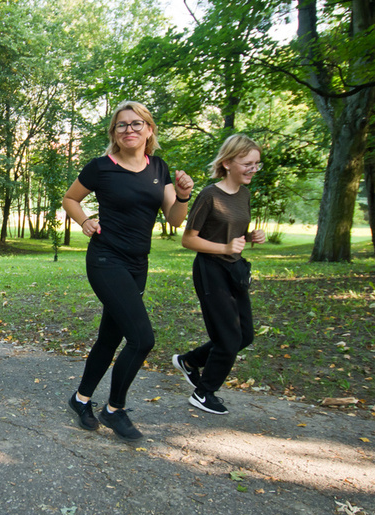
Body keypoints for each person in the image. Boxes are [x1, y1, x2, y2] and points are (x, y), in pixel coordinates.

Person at [62, 101, 194, 441]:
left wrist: (182, 196)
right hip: (106, 260)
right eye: (122, 125)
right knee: (142, 338)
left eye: (137, 124)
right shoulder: (101, 167)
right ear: (114, 134)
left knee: (111, 336)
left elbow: (175, 219)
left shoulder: (159, 168)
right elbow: (70, 199)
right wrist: (85, 220)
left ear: (149, 130)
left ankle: (80, 399)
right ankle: (114, 410)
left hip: (138, 264)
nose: (130, 130)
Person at [172, 134, 265, 415]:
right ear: (227, 162)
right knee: (228, 338)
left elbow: (233, 233)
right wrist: (225, 246)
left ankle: (189, 362)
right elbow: (188, 240)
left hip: (234, 269)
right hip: (211, 270)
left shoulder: (245, 195)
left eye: (256, 164)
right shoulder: (210, 196)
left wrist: (249, 236)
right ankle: (204, 393)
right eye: (247, 163)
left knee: (244, 335)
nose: (252, 169)